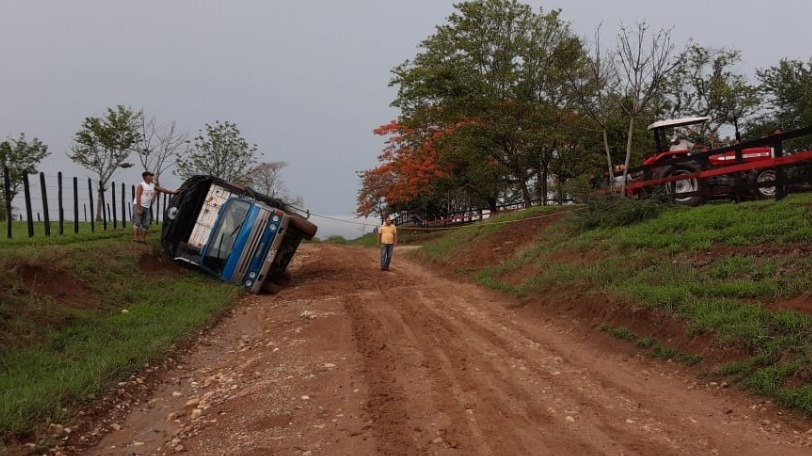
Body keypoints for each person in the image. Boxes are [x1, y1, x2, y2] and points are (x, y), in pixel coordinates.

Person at [133, 171, 179, 243]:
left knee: (146, 223)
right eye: (150, 176)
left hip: (147, 207)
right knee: (137, 222)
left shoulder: (152, 185)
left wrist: (173, 192)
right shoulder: (141, 185)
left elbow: (162, 190)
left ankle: (143, 240)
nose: (152, 177)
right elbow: (138, 197)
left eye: (152, 176)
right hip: (139, 205)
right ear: (146, 177)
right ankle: (135, 239)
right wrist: (138, 209)